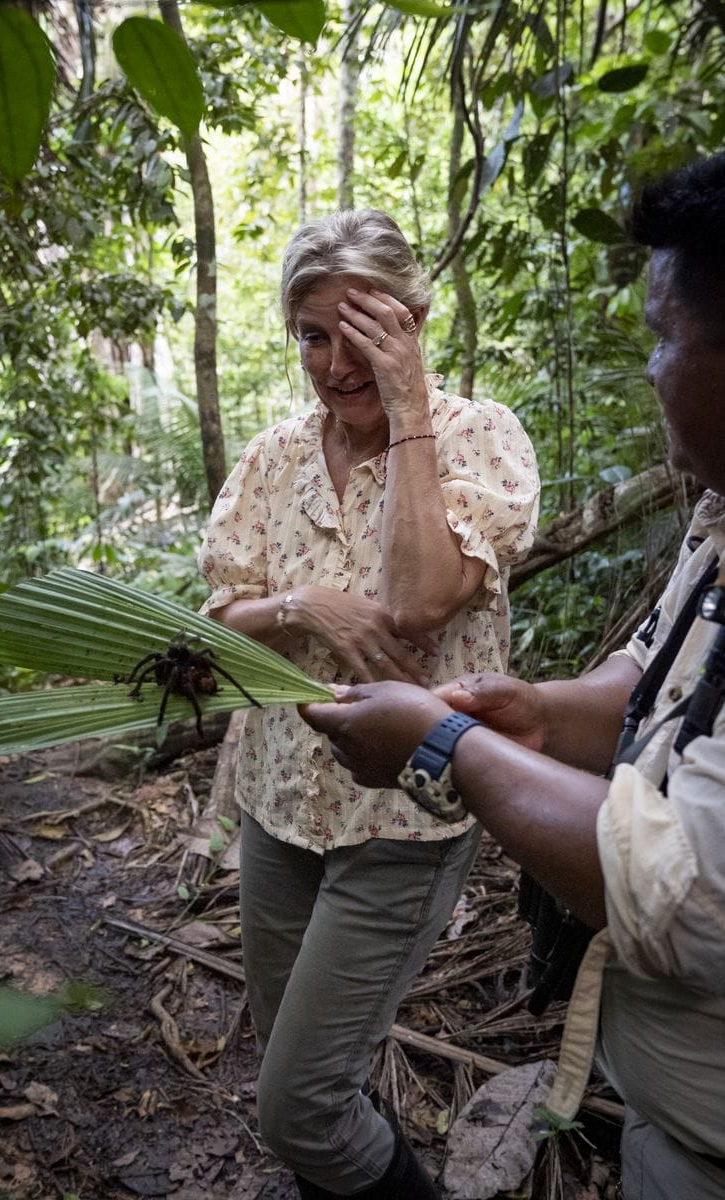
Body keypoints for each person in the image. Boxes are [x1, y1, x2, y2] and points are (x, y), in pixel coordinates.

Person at [302, 154, 725, 1200]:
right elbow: (649, 681)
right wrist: (532, 711)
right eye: (315, 334)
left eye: (661, 338)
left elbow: (683, 892)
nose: (648, 370)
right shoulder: (719, 520)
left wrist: (446, 744)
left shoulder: (477, 436)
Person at [197, 209, 539, 1198]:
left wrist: (410, 412)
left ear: (412, 320)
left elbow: (420, 599)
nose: (335, 360)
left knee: (295, 1106)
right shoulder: (272, 459)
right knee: (310, 1081)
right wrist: (302, 602)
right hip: (278, 806)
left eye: (361, 331)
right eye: (311, 334)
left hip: (404, 819)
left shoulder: (480, 437)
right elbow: (220, 618)